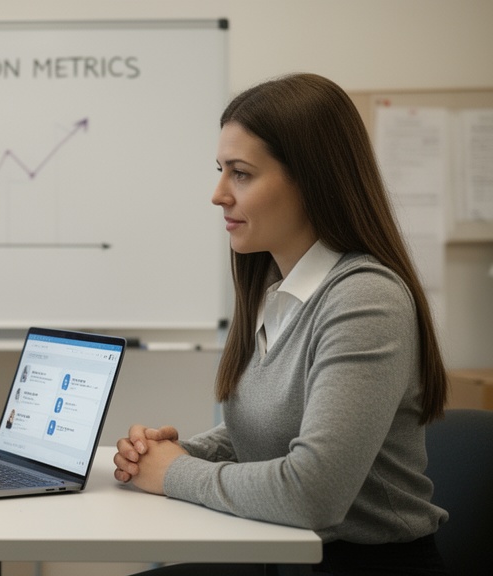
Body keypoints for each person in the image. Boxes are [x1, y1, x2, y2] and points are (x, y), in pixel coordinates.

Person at [113, 73, 449, 576]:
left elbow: (313, 494)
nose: (218, 194)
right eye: (221, 171)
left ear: (312, 181)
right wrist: (173, 452)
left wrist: (175, 472)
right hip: (283, 553)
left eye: (241, 174)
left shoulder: (365, 300)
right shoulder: (274, 288)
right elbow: (273, 429)